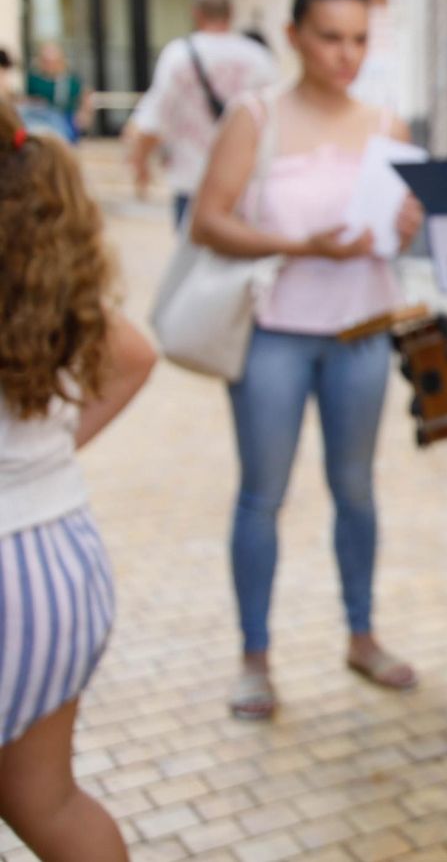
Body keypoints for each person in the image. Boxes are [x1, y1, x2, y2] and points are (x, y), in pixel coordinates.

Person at [189, 0, 423, 720]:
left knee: (355, 490)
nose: (346, 54)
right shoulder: (254, 117)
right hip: (274, 336)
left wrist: (411, 225)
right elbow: (208, 220)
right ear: (294, 35)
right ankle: (254, 658)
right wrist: (302, 244)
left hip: (361, 331)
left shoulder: (386, 123)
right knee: (263, 495)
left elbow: (401, 224)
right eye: (330, 37)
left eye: (358, 38)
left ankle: (362, 636)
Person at [0, 100, 157, 861]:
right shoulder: (35, 275)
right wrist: (46, 456)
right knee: (48, 801)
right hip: (57, 564)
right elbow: (134, 351)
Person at [123, 0, 278, 226]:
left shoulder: (178, 55)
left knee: (194, 262)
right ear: (231, 13)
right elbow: (276, 119)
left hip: (193, 181)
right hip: (247, 182)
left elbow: (154, 120)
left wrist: (141, 164)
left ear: (195, 13)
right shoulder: (258, 57)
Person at [25, 42, 93, 143]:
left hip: (65, 119)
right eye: (46, 61)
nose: (50, 65)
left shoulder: (70, 80)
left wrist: (84, 114)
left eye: (53, 62)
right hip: (41, 118)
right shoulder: (34, 79)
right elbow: (28, 101)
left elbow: (85, 97)